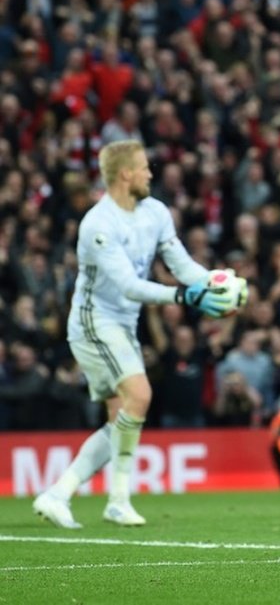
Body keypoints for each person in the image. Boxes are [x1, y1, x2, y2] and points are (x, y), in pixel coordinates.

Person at [32, 140, 242, 528]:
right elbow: (129, 285)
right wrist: (185, 296)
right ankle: (117, 500)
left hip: (122, 323)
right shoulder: (98, 224)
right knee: (140, 395)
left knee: (120, 419)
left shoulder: (155, 212)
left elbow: (178, 260)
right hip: (95, 321)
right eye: (144, 167)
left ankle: (59, 494)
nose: (150, 173)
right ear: (125, 174)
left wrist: (212, 283)